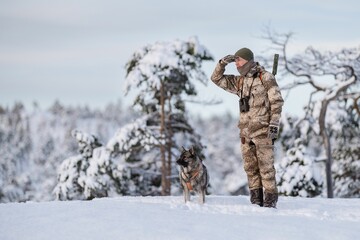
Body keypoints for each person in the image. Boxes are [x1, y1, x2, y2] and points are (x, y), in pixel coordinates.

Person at [211, 48, 284, 208]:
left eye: (239, 60)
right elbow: (216, 79)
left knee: (266, 168)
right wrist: (222, 63)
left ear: (249, 60)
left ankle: (270, 202)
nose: (236, 64)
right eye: (235, 60)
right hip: (246, 133)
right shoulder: (240, 82)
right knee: (250, 168)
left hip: (263, 131)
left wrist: (274, 125)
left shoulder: (266, 77)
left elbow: (277, 102)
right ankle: (256, 202)